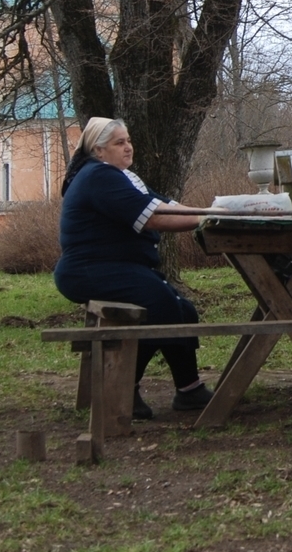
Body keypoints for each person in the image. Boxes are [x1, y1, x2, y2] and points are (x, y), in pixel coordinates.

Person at [54, 116, 217, 419]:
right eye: (120, 142)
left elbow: (164, 204)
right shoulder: (98, 176)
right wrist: (206, 219)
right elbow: (153, 218)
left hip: (114, 266)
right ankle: (122, 390)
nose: (128, 147)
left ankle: (189, 390)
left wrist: (210, 213)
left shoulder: (122, 177)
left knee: (183, 309)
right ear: (99, 151)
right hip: (89, 269)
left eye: (128, 140)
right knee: (162, 305)